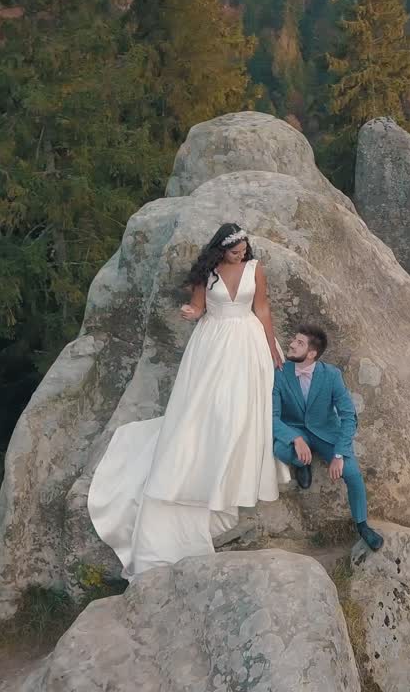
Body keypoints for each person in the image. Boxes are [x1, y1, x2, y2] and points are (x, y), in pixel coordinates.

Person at [87, 223, 288, 577]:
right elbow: (198, 308)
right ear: (220, 250)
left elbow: (263, 309)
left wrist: (272, 346)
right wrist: (192, 313)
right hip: (213, 344)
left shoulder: (255, 270)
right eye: (234, 250)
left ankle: (232, 474)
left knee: (239, 409)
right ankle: (201, 465)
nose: (241, 254)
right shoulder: (206, 274)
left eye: (243, 248)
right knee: (208, 408)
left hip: (247, 341)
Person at [273, 325, 384, 551]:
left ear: (312, 354)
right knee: (281, 450)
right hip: (297, 430)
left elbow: (348, 416)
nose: (292, 344)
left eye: (299, 342)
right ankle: (303, 463)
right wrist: (295, 438)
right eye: (294, 339)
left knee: (352, 473)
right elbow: (271, 416)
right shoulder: (279, 373)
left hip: (326, 433)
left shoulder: (331, 375)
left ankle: (362, 525)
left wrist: (339, 453)